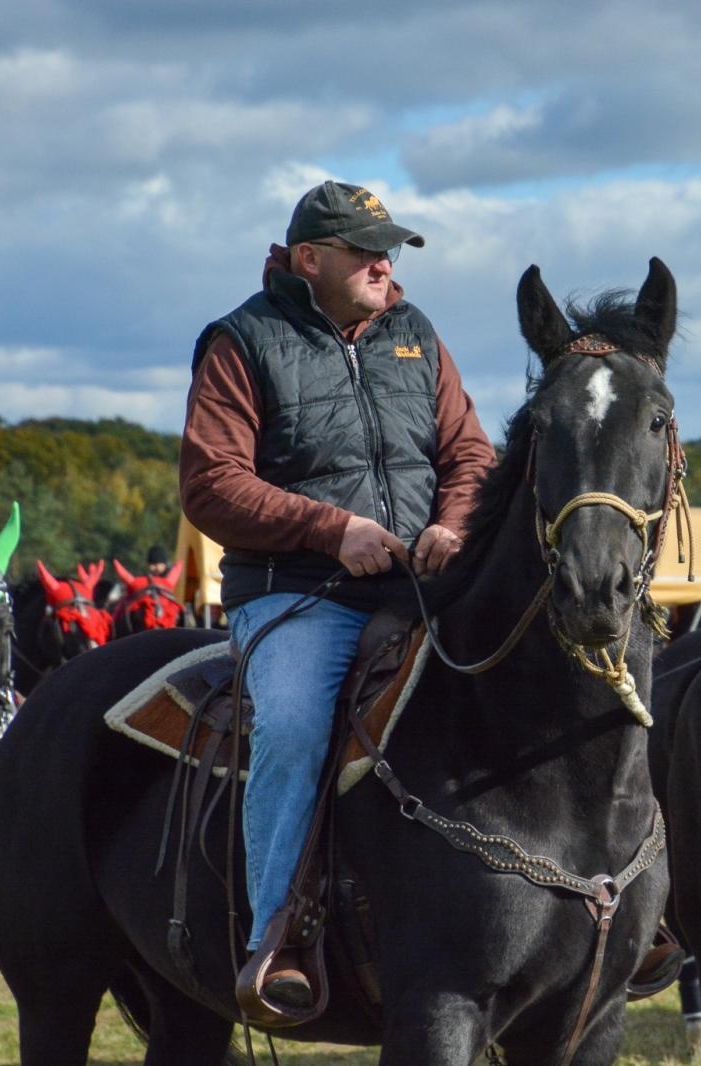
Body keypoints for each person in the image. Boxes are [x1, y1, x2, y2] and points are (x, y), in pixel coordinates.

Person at [179, 180, 496, 1010]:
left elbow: (469, 455)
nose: (385, 265)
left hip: (425, 586)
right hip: (297, 593)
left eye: (390, 250)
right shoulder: (242, 340)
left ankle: (600, 899)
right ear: (311, 258)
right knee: (291, 723)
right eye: (366, 251)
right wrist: (332, 529)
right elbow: (211, 485)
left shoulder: (416, 334)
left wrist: (456, 525)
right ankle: (274, 935)